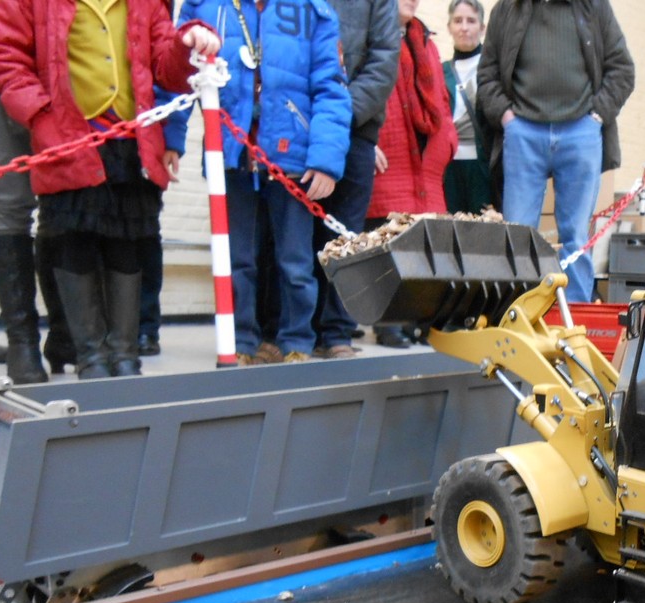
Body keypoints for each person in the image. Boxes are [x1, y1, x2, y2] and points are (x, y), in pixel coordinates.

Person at [0, 0, 220, 379]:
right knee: (73, 240)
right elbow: (2, 53)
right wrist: (42, 115)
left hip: (130, 140)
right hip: (68, 137)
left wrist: (185, 42)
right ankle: (90, 356)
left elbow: (165, 66)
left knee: (128, 242)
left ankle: (124, 355)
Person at [165, 0, 351, 365]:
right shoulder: (204, 7)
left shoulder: (313, 10)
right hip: (231, 153)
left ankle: (297, 343)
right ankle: (240, 343)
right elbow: (177, 77)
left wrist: (326, 161)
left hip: (292, 157)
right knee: (237, 260)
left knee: (295, 262)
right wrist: (171, 138)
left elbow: (331, 87)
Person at [478, 0, 634, 303]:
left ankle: (573, 314)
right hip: (523, 133)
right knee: (518, 235)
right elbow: (487, 74)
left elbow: (622, 69)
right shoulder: (507, 9)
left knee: (575, 235)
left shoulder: (593, 7)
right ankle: (518, 311)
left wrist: (596, 117)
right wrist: (508, 119)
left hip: (580, 131)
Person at [0, 0, 74, 380]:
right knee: (10, 197)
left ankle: (65, 335)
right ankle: (22, 343)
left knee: (62, 189)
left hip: (65, 54)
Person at [311, 0, 401, 360]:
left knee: (344, 238)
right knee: (295, 238)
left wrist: (336, 115)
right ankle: (297, 331)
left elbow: (383, 61)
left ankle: (336, 332)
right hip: (305, 127)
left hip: (354, 128)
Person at [364, 0, 456, 347]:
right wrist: (362, 140)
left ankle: (419, 320)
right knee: (387, 240)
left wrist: (447, 140)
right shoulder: (369, 34)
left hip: (426, 157)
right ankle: (389, 323)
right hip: (388, 152)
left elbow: (442, 100)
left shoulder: (425, 41)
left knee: (423, 244)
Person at [442, 0, 493, 214]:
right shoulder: (440, 71)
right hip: (448, 167)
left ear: (482, 28)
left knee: (485, 229)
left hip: (483, 166)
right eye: (458, 21)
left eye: (471, 21)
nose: (464, 27)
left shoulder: (492, 69)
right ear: (449, 27)